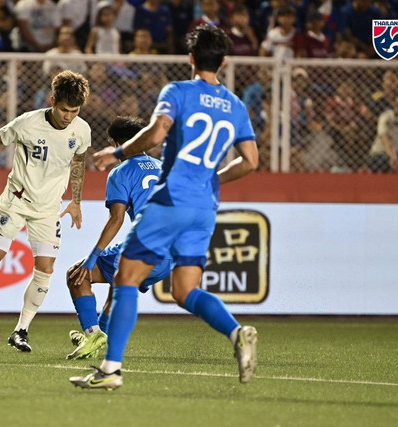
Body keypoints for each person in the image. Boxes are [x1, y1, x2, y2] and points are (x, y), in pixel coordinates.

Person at [70, 25, 259, 390]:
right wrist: (212, 178)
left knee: (125, 278)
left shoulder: (178, 91)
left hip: (171, 199)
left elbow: (157, 133)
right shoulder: (235, 106)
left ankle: (110, 370)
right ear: (222, 61)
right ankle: (236, 334)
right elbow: (250, 161)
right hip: (205, 207)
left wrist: (118, 152)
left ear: (190, 58)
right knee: (185, 291)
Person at [0, 70, 91, 353]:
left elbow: (78, 162)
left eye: (74, 111)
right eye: (64, 109)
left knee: (45, 269)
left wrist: (76, 200)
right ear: (52, 101)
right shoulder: (28, 123)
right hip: (17, 201)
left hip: (48, 209)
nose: (68, 116)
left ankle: (21, 331)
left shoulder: (81, 130)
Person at [65, 116, 171, 360]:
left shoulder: (120, 173)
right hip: (172, 253)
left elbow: (116, 219)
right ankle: (100, 334)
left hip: (146, 249)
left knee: (76, 275)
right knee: (117, 284)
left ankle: (93, 335)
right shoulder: (163, 167)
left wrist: (91, 259)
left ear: (116, 144)